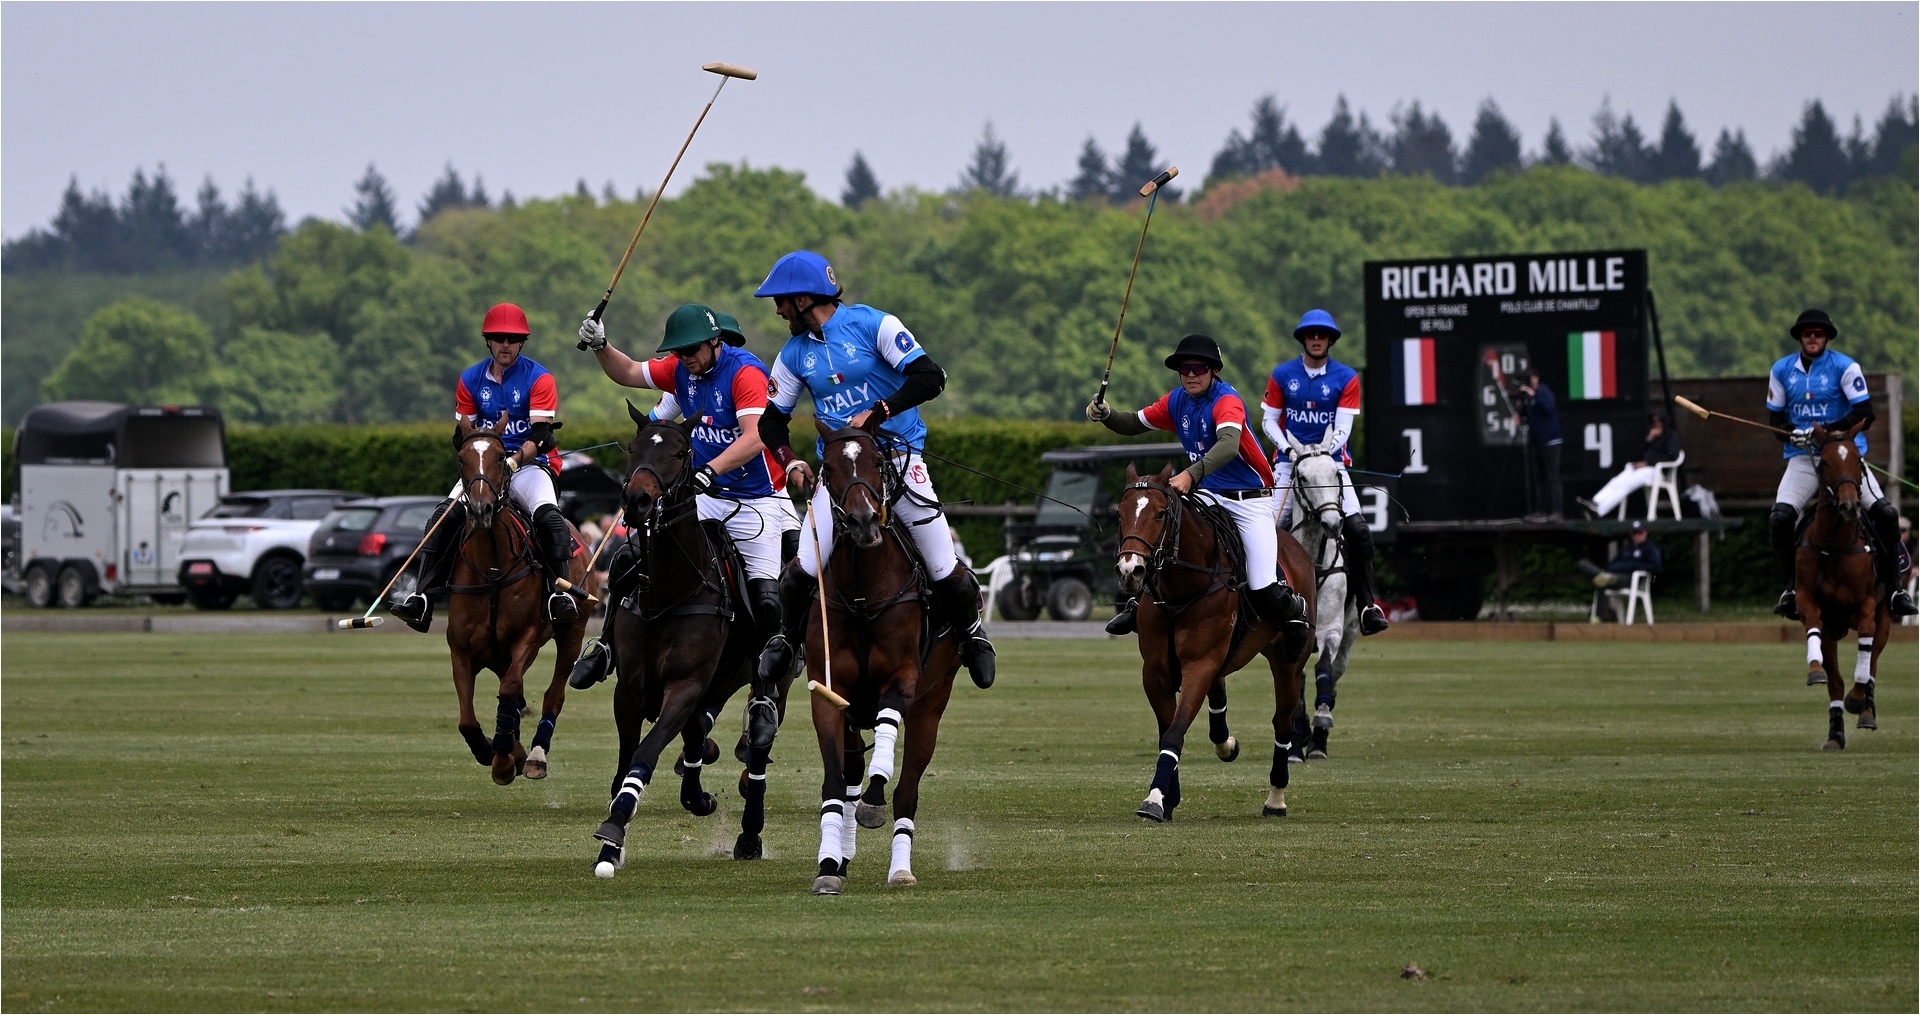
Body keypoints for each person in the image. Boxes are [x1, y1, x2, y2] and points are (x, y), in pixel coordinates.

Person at [750, 250, 997, 689]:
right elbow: (771, 422)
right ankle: (787, 640)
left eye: (781, 301)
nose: (778, 310)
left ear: (804, 300)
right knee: (801, 571)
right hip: (842, 474)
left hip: (899, 460)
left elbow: (931, 377)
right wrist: (791, 461)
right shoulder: (793, 354)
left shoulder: (873, 324)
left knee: (944, 567)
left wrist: (880, 411)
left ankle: (972, 635)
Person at [570, 304, 793, 727]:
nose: (685, 357)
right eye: (679, 351)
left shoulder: (745, 373)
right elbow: (629, 372)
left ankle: (764, 696)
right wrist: (601, 345)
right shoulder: (680, 370)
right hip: (701, 496)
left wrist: (711, 470)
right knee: (630, 557)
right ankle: (606, 646)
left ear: (714, 342)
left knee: (766, 599)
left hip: (754, 498)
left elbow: (756, 438)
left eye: (692, 350)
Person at [1087, 333, 1309, 643]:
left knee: (1263, 586)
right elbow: (1135, 423)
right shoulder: (1176, 400)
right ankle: (1139, 603)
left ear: (1213, 371)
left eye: (1199, 368)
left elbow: (1228, 445)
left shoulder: (1226, 401)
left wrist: (1191, 475)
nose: (1191, 375)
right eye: (1185, 369)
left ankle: (1295, 613)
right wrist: (1107, 415)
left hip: (1249, 500)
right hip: (1208, 494)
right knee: (1164, 533)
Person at [391, 303, 579, 631]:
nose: (505, 344)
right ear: (488, 340)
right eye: (499, 337)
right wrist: (480, 454)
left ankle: (558, 595)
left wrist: (512, 461)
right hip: (485, 467)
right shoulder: (470, 379)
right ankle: (422, 598)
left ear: (522, 342)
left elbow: (542, 437)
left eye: (513, 338)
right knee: (442, 518)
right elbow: (460, 435)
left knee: (550, 518)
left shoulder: (539, 378)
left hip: (530, 466)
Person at [1764, 309, 1915, 619]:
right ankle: (1790, 589)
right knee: (1780, 518)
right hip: (1803, 460)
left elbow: (1864, 414)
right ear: (1800, 337)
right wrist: (1792, 433)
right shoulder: (1781, 370)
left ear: (1827, 337)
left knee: (1886, 514)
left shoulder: (1845, 367)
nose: (1812, 337)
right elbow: (1775, 420)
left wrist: (1827, 432)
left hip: (1844, 458)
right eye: (1807, 333)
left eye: (1818, 333)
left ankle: (1896, 591)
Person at [1261, 309, 1388, 635]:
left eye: (1322, 335)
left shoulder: (1346, 377)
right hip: (1289, 463)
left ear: (1330, 340)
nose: (1316, 339)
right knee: (1266, 529)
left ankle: (1367, 606)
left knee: (1359, 531)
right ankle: (1258, 598)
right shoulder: (1282, 374)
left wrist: (1319, 453)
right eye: (1311, 334)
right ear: (1303, 339)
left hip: (1330, 463)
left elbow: (1343, 427)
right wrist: (1291, 452)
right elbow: (1268, 421)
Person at [1577, 412, 1682, 517]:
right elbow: (1638, 456)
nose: (1657, 424)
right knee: (1618, 480)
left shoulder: (1672, 436)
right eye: (1654, 421)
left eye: (1659, 421)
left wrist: (1648, 463)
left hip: (1658, 471)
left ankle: (1600, 510)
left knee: (1627, 484)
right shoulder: (1653, 438)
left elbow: (1671, 455)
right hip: (1643, 469)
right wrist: (1649, 439)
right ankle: (1596, 502)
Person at [1579, 520, 1661, 621]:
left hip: (1631, 580)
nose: (1637, 535)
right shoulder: (1626, 548)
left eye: (1640, 533)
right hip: (1615, 576)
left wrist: (1633, 566)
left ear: (1645, 533)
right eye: (1634, 533)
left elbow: (1655, 566)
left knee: (1601, 580)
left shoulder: (1650, 548)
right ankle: (1598, 617)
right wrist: (1625, 566)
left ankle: (1605, 578)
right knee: (1587, 567)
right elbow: (1612, 566)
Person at [1516, 367, 1564, 521]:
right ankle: (1541, 510)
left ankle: (1557, 511)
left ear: (1535, 378)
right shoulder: (1530, 398)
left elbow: (1549, 407)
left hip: (1551, 441)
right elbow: (1529, 416)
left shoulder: (1543, 391)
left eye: (1529, 378)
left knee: (1552, 476)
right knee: (1540, 478)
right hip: (1538, 442)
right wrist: (1521, 408)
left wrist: (1534, 395)